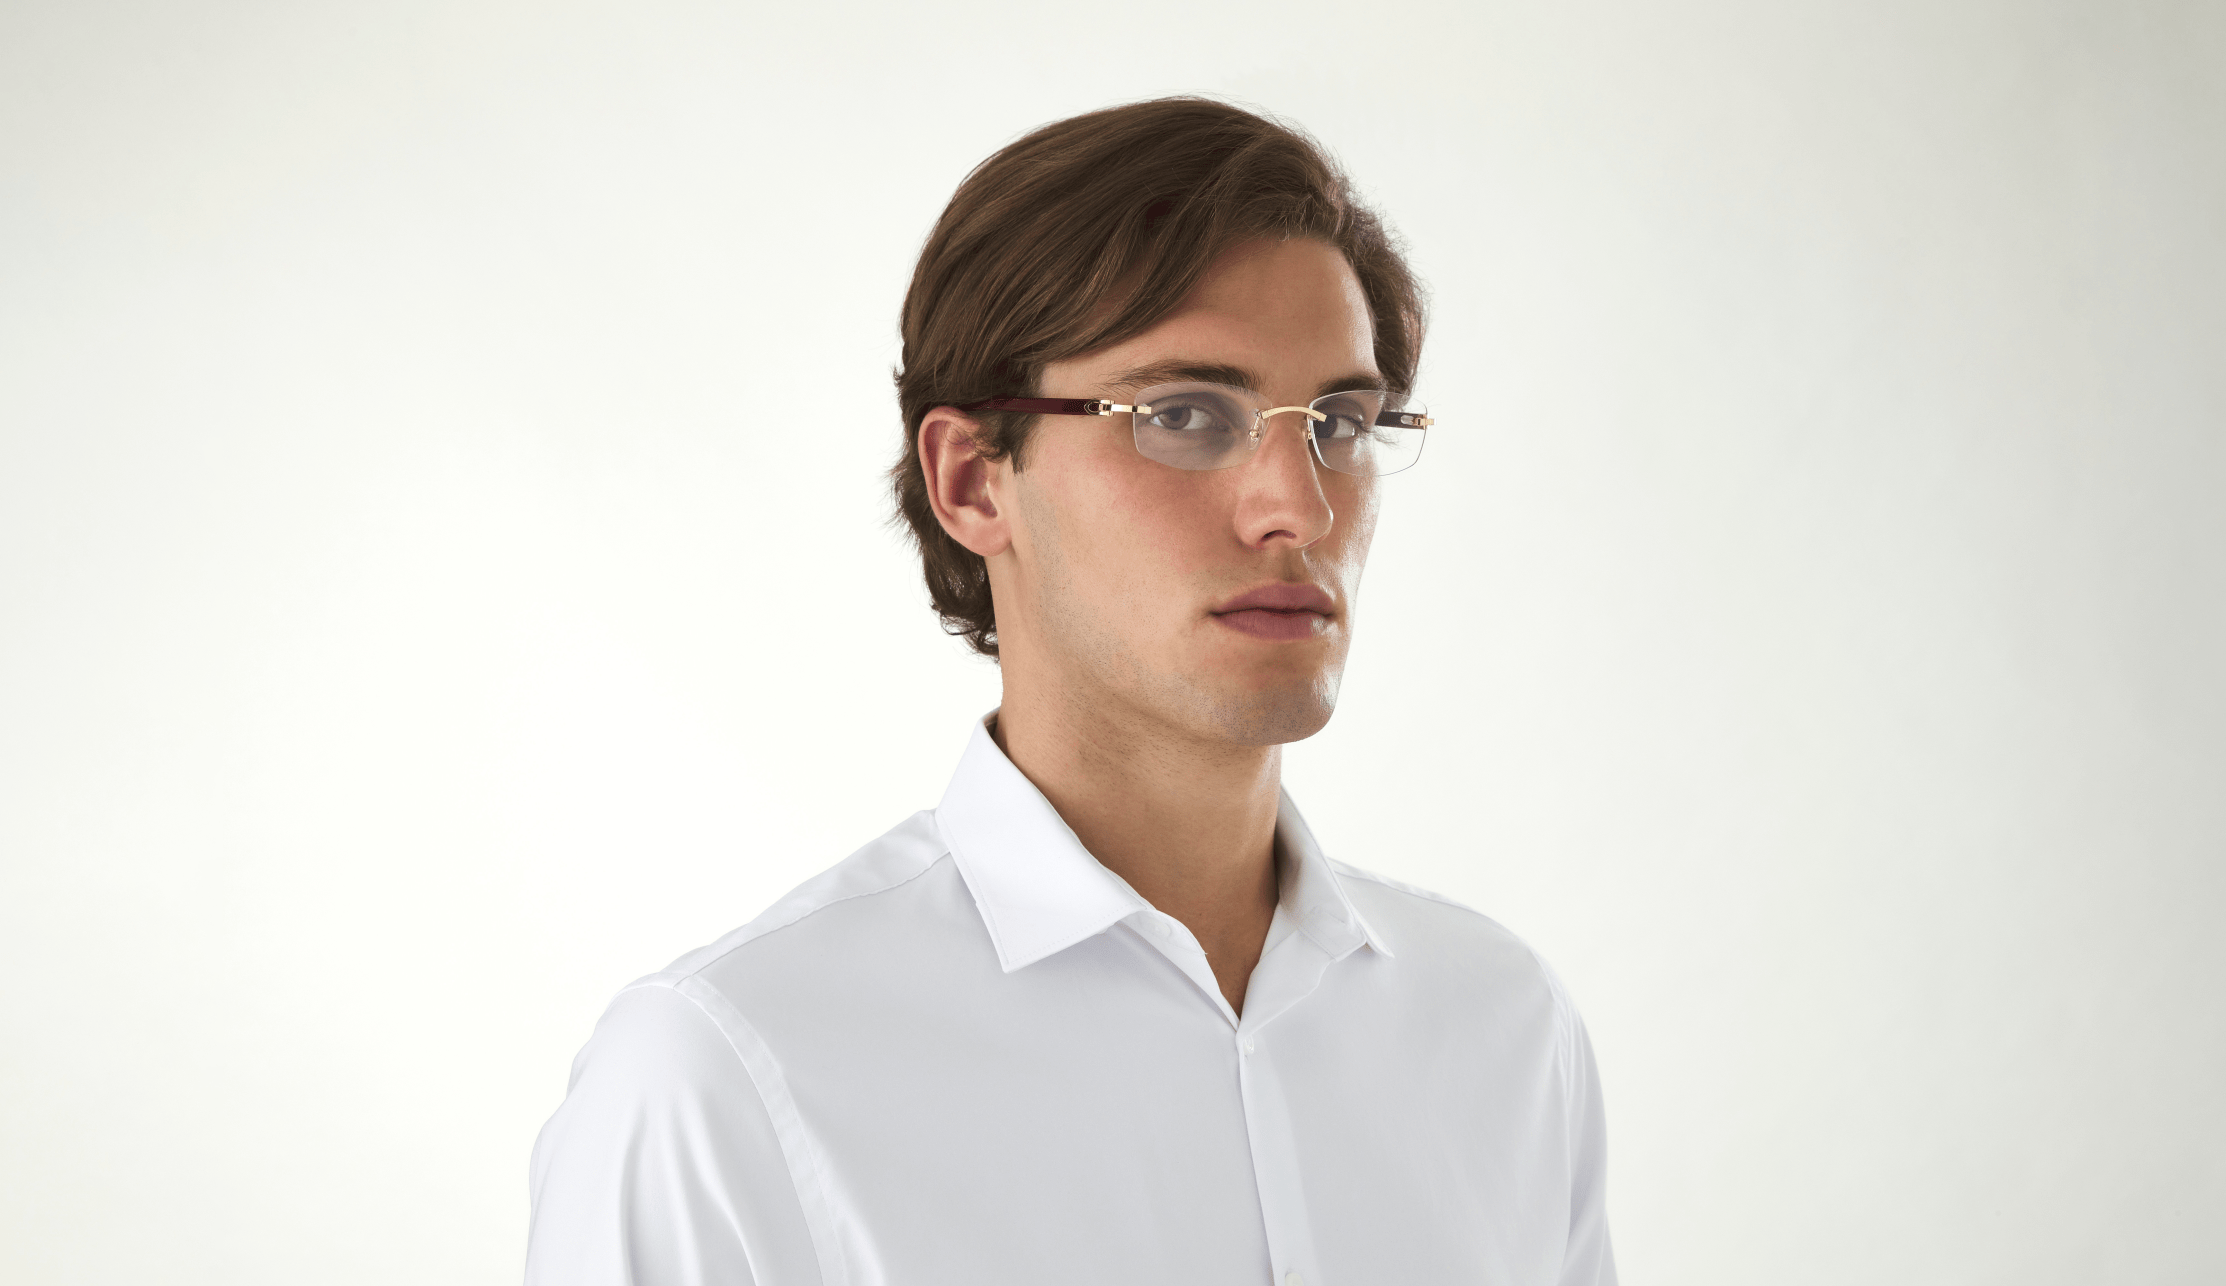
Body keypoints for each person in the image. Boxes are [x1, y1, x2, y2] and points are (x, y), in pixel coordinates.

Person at [525, 96, 1617, 1286]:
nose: (1298, 508)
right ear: (972, 480)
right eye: (1185, 416)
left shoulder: (1503, 1028)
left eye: (1340, 422)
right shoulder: (723, 1078)